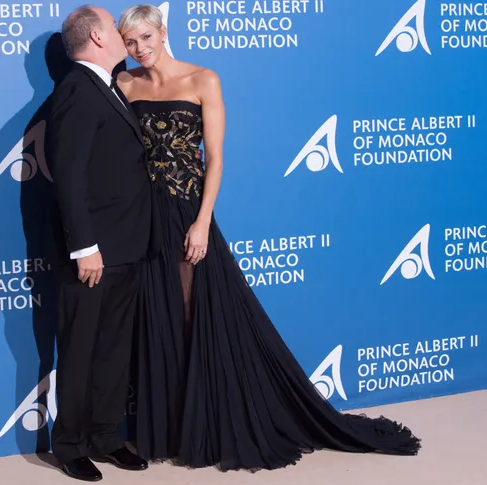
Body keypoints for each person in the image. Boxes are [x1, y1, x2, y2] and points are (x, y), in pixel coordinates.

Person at [115, 4, 422, 471]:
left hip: (186, 211)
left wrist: (202, 221)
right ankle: (172, 428)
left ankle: (209, 425)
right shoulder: (124, 84)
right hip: (142, 216)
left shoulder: (203, 79)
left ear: (162, 31)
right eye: (130, 42)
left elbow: (215, 159)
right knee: (159, 318)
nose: (139, 49)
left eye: (146, 38)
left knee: (196, 314)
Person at [43, 5, 160, 481]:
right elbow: (68, 175)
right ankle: (70, 444)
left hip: (126, 246)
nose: (120, 32)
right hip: (93, 254)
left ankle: (107, 436)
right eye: (112, 26)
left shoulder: (106, 86)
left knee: (113, 348)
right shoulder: (76, 89)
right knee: (81, 350)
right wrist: (83, 247)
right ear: (95, 36)